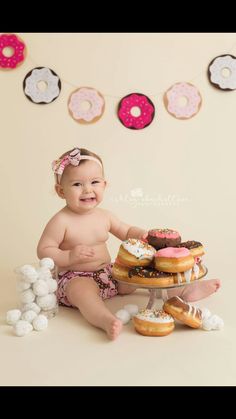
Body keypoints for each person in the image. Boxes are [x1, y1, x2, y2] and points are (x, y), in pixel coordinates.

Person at [37, 147, 220, 340]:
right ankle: (105, 319)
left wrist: (142, 234)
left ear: (104, 185)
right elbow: (44, 249)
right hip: (75, 276)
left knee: (141, 274)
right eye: (77, 184)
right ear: (60, 191)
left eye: (94, 182)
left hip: (109, 273)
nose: (87, 189)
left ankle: (183, 290)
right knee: (83, 293)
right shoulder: (61, 221)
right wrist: (68, 256)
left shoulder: (104, 216)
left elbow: (125, 231)